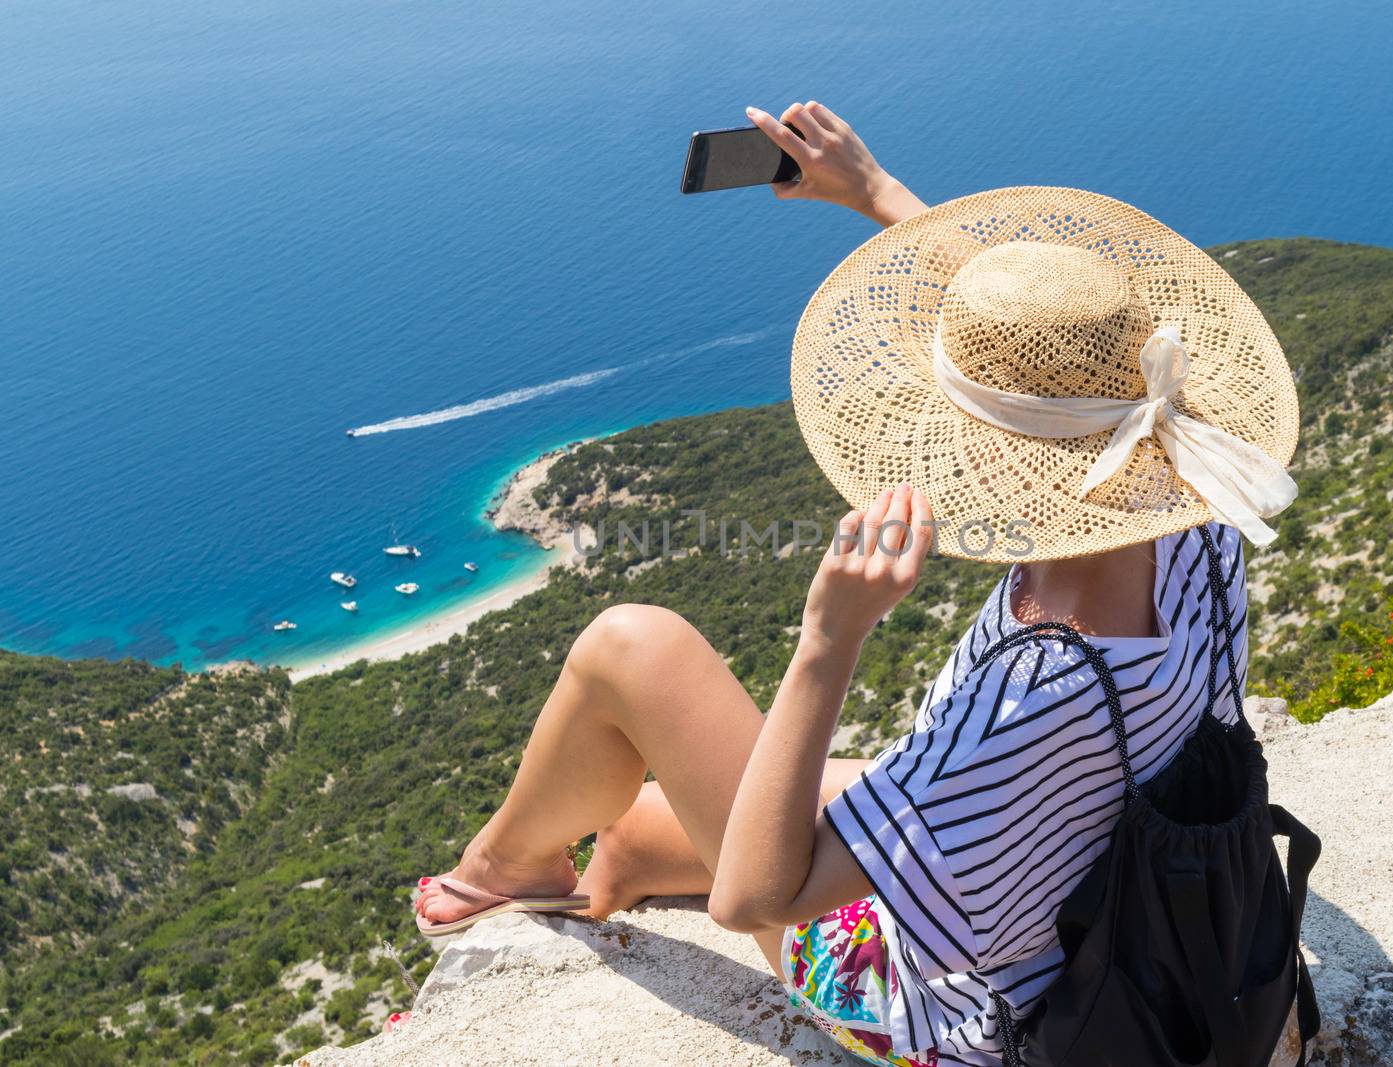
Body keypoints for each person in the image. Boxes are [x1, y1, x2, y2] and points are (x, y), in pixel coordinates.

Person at [415, 101, 1299, 1066]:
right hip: (1122, 888)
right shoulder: (1200, 501)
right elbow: (1053, 371)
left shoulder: (1034, 692)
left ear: (994, 461)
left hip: (967, 1017)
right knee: (639, 824)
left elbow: (751, 896)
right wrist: (875, 193)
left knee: (633, 645)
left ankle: (506, 866)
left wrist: (827, 643)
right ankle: (601, 859)